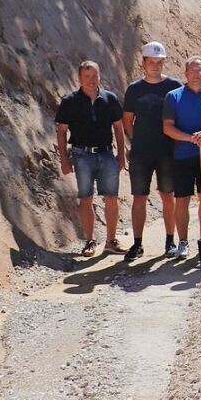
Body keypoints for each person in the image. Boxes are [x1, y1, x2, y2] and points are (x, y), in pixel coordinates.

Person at [55, 61, 129, 257]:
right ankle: (90, 241)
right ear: (79, 78)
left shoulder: (110, 99)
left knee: (111, 198)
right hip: (82, 156)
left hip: (106, 154)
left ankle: (111, 241)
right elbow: (61, 131)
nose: (91, 80)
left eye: (94, 76)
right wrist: (64, 159)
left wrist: (121, 154)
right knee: (86, 199)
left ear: (99, 77)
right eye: (87, 76)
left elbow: (119, 128)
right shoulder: (69, 101)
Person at [122, 41, 183, 260]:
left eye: (159, 62)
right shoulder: (134, 89)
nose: (156, 66)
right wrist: (135, 140)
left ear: (163, 62)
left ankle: (170, 241)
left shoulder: (174, 86)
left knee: (168, 196)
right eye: (151, 62)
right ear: (144, 63)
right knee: (139, 197)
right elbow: (127, 120)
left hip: (168, 151)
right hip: (141, 153)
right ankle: (137, 244)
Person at [162, 56, 201, 259]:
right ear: (185, 74)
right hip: (182, 154)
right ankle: (183, 242)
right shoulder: (174, 96)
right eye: (192, 70)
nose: (196, 74)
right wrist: (191, 138)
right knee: (182, 199)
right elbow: (168, 127)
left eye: (200, 71)